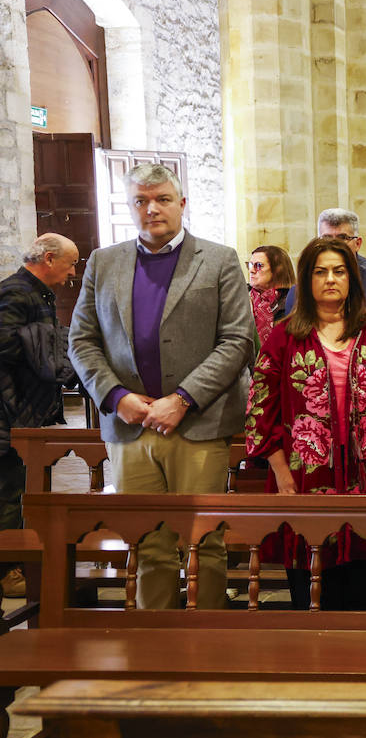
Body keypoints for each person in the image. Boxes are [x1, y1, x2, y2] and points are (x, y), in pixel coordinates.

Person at [69, 164, 255, 609]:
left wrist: (183, 398)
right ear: (131, 207)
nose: (152, 209)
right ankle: (157, 645)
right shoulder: (104, 261)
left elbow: (239, 339)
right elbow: (81, 339)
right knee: (148, 544)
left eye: (163, 199)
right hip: (131, 427)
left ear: (182, 203)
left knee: (204, 541)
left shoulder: (219, 258)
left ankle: (207, 644)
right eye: (140, 201)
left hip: (198, 424)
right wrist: (116, 396)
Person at [244, 238, 366, 609]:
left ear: (352, 278)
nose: (330, 279)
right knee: (311, 590)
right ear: (307, 280)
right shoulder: (284, 336)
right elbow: (259, 410)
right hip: (302, 476)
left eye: (339, 271)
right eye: (320, 272)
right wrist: (279, 471)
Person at [0, 233, 80, 597]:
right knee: (7, 491)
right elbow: (4, 343)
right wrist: (51, 342)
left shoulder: (35, 292)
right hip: (7, 410)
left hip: (20, 410)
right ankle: (6, 572)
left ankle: (16, 563)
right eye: (70, 263)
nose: (72, 272)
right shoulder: (17, 291)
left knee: (16, 489)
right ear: (48, 259)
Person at [284, 208, 366, 325]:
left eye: (343, 237)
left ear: (358, 243)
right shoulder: (299, 292)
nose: (334, 245)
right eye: (327, 238)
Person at [246, 244, 295, 346]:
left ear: (278, 270)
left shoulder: (293, 300)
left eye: (259, 265)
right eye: (250, 265)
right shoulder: (242, 296)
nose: (251, 270)